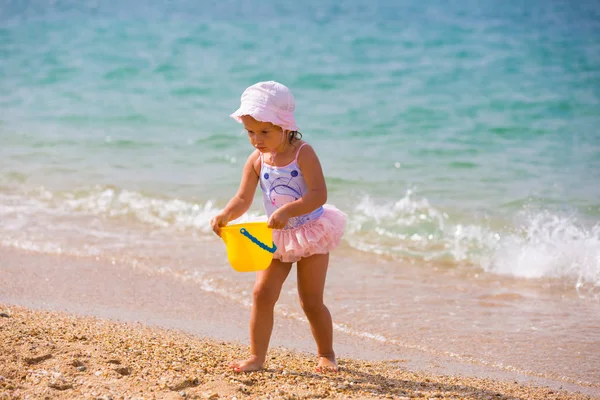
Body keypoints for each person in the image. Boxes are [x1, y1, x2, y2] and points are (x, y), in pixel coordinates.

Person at [210, 81, 347, 373]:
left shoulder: (303, 153)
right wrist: (225, 215)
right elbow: (243, 198)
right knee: (262, 294)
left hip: (311, 232)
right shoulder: (258, 160)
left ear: (284, 126)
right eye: (250, 132)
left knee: (310, 301)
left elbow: (318, 194)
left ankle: (327, 353)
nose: (256, 139)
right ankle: (256, 358)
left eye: (264, 132)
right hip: (276, 237)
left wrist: (289, 210)